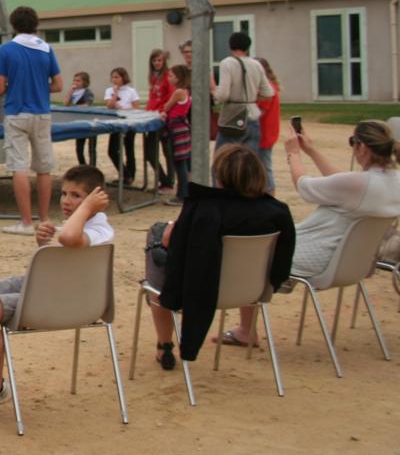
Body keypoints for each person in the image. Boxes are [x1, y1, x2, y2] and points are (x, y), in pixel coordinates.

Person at [0, 165, 112, 420]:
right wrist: (44, 241)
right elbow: (60, 252)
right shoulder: (76, 225)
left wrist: (89, 208)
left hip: (67, 300)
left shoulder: (99, 229)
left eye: (76, 196)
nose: (67, 201)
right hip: (47, 284)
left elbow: (70, 239)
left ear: (95, 199)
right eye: (64, 194)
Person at [225, 119, 400, 347]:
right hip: (354, 264)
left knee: (251, 251)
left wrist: (293, 154)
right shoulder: (390, 182)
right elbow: (342, 184)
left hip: (318, 257)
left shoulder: (359, 185)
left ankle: (246, 330)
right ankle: (246, 328)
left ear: (363, 148)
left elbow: (304, 186)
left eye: (352, 143)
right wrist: (312, 151)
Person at [149, 145, 295, 366]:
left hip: (201, 291)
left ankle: (165, 344)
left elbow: (176, 247)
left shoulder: (204, 210)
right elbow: (282, 262)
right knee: (248, 258)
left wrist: (169, 231)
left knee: (156, 237)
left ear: (219, 175)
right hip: (251, 288)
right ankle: (247, 328)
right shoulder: (277, 211)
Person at [0, 6, 63, 235]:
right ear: (36, 24)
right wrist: (39, 89)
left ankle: (25, 222)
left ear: (14, 25)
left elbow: (0, 86)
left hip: (16, 112)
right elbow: (58, 85)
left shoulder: (6, 50)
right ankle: (44, 218)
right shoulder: (46, 49)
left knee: (19, 166)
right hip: (42, 112)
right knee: (44, 167)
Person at [212, 31, 273, 152]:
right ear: (248, 47)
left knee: (222, 162)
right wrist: (250, 97)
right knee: (248, 163)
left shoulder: (227, 63)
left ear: (230, 46)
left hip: (232, 118)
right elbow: (268, 93)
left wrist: (213, 90)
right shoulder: (256, 64)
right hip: (253, 117)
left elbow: (223, 95)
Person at [161, 65, 192, 205]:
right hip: (181, 128)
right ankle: (184, 192)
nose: (169, 78)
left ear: (178, 78)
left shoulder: (179, 91)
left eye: (171, 76)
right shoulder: (185, 91)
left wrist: (164, 111)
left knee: (180, 162)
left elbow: (167, 107)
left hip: (177, 129)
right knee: (182, 162)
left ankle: (182, 194)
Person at [104, 67, 140, 185]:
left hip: (129, 122)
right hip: (115, 123)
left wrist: (124, 108)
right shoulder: (109, 90)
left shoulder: (131, 91)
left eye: (117, 77)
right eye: (113, 77)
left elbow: (136, 107)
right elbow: (109, 105)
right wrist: (115, 93)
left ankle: (130, 176)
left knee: (129, 149)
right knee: (112, 150)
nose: (114, 79)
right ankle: (125, 174)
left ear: (123, 77)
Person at [144, 49, 172, 193]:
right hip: (153, 116)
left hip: (162, 117)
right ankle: (165, 180)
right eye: (154, 61)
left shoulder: (167, 77)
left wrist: (163, 111)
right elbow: (153, 98)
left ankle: (167, 182)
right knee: (152, 151)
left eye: (159, 60)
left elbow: (169, 98)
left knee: (164, 151)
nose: (157, 63)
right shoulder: (155, 77)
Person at [255, 57, 281, 193]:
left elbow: (260, 112)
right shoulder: (270, 86)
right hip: (266, 133)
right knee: (262, 166)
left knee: (264, 167)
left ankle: (269, 193)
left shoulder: (267, 88)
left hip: (264, 133)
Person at [65, 71, 97, 166]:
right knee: (79, 148)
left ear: (85, 82)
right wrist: (70, 92)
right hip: (78, 122)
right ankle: (82, 165)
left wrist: (75, 107)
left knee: (91, 148)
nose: (75, 82)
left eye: (78, 80)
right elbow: (66, 103)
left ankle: (92, 166)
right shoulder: (73, 92)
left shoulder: (87, 92)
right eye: (74, 80)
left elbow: (87, 104)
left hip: (89, 122)